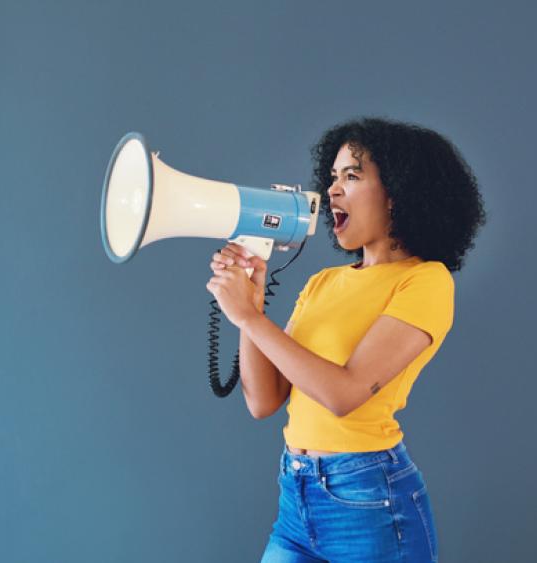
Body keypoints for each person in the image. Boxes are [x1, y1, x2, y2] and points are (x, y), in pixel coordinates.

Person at [206, 116, 486, 562]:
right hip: (296, 497)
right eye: (333, 176)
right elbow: (263, 401)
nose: (332, 190)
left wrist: (251, 319)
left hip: (370, 502)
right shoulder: (322, 282)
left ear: (398, 192)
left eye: (352, 176)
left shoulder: (425, 281)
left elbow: (345, 393)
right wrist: (251, 311)